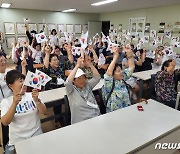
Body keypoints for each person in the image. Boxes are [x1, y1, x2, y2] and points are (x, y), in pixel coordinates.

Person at [1, 70, 47, 154]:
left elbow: (44, 112)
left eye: (24, 80)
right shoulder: (6, 102)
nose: (24, 83)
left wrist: (37, 101)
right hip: (18, 141)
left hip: (36, 136)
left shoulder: (31, 96)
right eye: (20, 81)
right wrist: (14, 104)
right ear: (11, 86)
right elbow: (5, 122)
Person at [65, 56, 101, 124]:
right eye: (79, 78)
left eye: (83, 78)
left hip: (96, 117)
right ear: (74, 81)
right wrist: (77, 66)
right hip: (81, 122)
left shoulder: (87, 86)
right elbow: (67, 83)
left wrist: (90, 64)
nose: (82, 81)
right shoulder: (71, 90)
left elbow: (97, 77)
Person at [103, 45, 135, 113]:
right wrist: (115, 57)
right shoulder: (109, 83)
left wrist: (129, 54)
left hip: (126, 111)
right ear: (113, 74)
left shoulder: (122, 79)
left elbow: (131, 67)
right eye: (118, 71)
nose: (121, 72)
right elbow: (108, 73)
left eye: (121, 70)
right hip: (113, 114)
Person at [0, 52, 12, 148]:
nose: (3, 62)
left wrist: (23, 68)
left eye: (4, 60)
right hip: (2, 105)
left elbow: (19, 80)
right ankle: (6, 145)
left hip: (12, 102)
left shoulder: (9, 72)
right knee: (5, 127)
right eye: (1, 61)